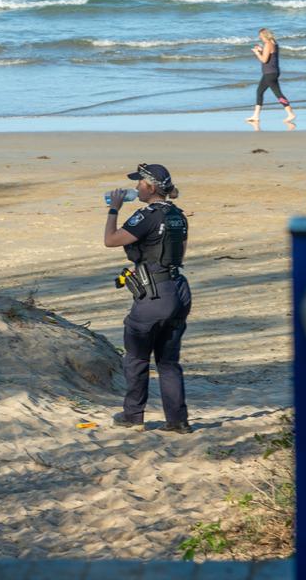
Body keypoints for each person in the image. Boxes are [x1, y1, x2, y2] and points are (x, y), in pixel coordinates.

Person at [103, 163, 192, 433]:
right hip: (178, 289)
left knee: (137, 358)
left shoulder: (147, 216)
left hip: (154, 296)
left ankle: (133, 415)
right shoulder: (178, 215)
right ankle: (177, 421)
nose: (136, 188)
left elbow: (110, 240)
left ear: (151, 187)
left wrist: (114, 208)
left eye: (139, 183)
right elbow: (177, 253)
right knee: (168, 362)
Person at [248, 27, 296, 124]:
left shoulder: (268, 44)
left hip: (269, 73)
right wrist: (261, 50)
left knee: (278, 94)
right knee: (259, 91)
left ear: (264, 35)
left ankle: (290, 113)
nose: (259, 37)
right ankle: (256, 115)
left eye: (260, 35)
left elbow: (264, 60)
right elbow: (270, 56)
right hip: (273, 72)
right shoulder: (274, 43)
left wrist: (257, 53)